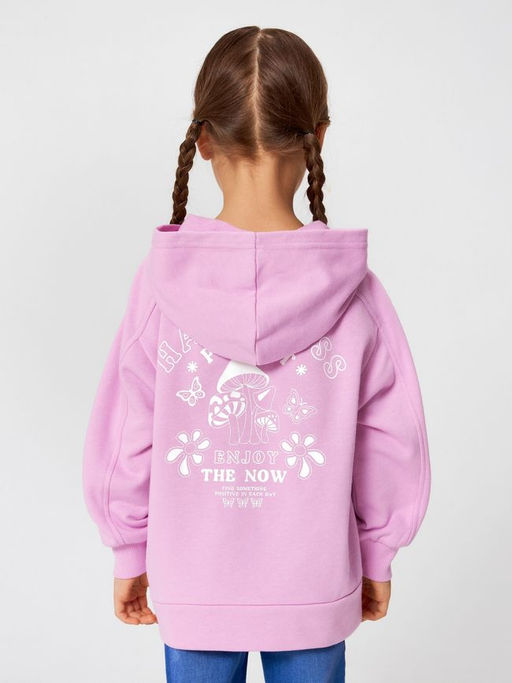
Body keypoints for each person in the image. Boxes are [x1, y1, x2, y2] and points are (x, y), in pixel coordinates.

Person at [82, 26, 431, 683]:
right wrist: (378, 551)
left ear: (204, 139)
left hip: (194, 586)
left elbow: (128, 430)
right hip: (314, 585)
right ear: (318, 136)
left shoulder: (159, 286)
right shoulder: (355, 293)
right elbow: (391, 437)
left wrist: (129, 546)